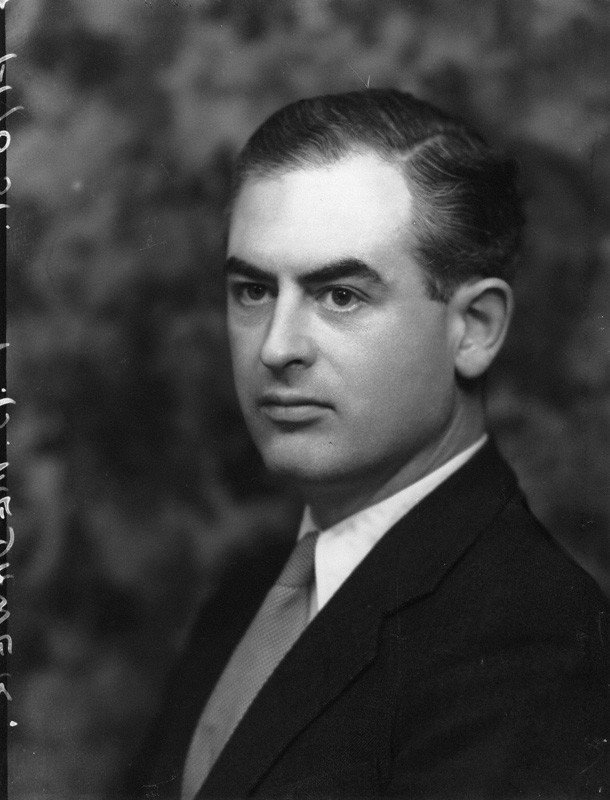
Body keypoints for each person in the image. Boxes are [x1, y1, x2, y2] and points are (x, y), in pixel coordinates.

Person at [124, 89, 610, 799]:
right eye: (254, 291)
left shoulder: (531, 642)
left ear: (475, 328)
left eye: (340, 295)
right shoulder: (247, 592)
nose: (277, 348)